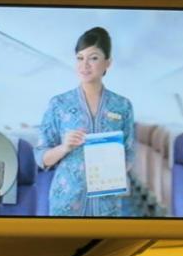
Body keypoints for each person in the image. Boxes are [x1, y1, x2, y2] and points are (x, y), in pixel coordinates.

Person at [34, 27, 135, 216]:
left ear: (108, 63)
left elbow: (129, 153)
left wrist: (114, 172)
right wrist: (64, 147)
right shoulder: (59, 104)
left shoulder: (122, 106)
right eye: (80, 58)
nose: (84, 65)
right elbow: (41, 157)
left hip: (107, 204)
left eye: (93, 58)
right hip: (67, 201)